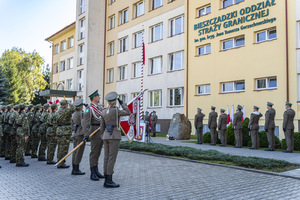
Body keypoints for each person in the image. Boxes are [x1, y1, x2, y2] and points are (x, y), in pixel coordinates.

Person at [99, 92, 131, 188]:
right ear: (114, 101)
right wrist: (122, 103)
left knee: (106, 157)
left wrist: (103, 136)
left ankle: (106, 177)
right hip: (114, 136)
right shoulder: (116, 110)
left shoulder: (104, 112)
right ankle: (109, 180)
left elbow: (102, 126)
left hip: (106, 136)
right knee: (112, 158)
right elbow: (128, 112)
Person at [82, 90, 105, 181]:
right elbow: (85, 122)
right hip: (94, 131)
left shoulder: (99, 107)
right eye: (98, 96)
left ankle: (96, 170)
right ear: (94, 98)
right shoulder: (90, 109)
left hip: (101, 131)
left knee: (98, 152)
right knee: (94, 152)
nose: (99, 97)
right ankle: (92, 172)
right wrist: (86, 134)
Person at [56, 100, 75, 168]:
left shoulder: (58, 111)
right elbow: (73, 109)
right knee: (64, 148)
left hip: (60, 130)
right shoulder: (65, 110)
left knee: (60, 147)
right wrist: (71, 104)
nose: (67, 105)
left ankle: (59, 161)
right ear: (65, 105)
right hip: (65, 131)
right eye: (67, 104)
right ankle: (61, 163)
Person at [71, 99, 85, 175]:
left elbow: (71, 124)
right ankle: (76, 169)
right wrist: (86, 133)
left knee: (75, 151)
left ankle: (74, 168)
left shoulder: (73, 114)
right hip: (80, 134)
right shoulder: (81, 113)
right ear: (80, 107)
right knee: (79, 152)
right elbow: (83, 124)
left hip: (75, 133)